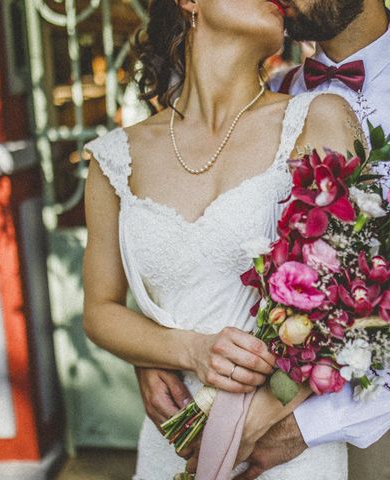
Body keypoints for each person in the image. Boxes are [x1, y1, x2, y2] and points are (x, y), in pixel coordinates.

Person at [136, 1, 390, 480]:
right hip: (250, 397)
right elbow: (191, 234)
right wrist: (152, 351)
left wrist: (305, 425)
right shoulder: (268, 92)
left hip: (380, 424)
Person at [82, 0, 364, 478]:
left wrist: (247, 424)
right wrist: (185, 350)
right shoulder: (114, 158)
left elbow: (356, 301)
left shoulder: (320, 118)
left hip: (277, 449)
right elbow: (100, 310)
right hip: (172, 443)